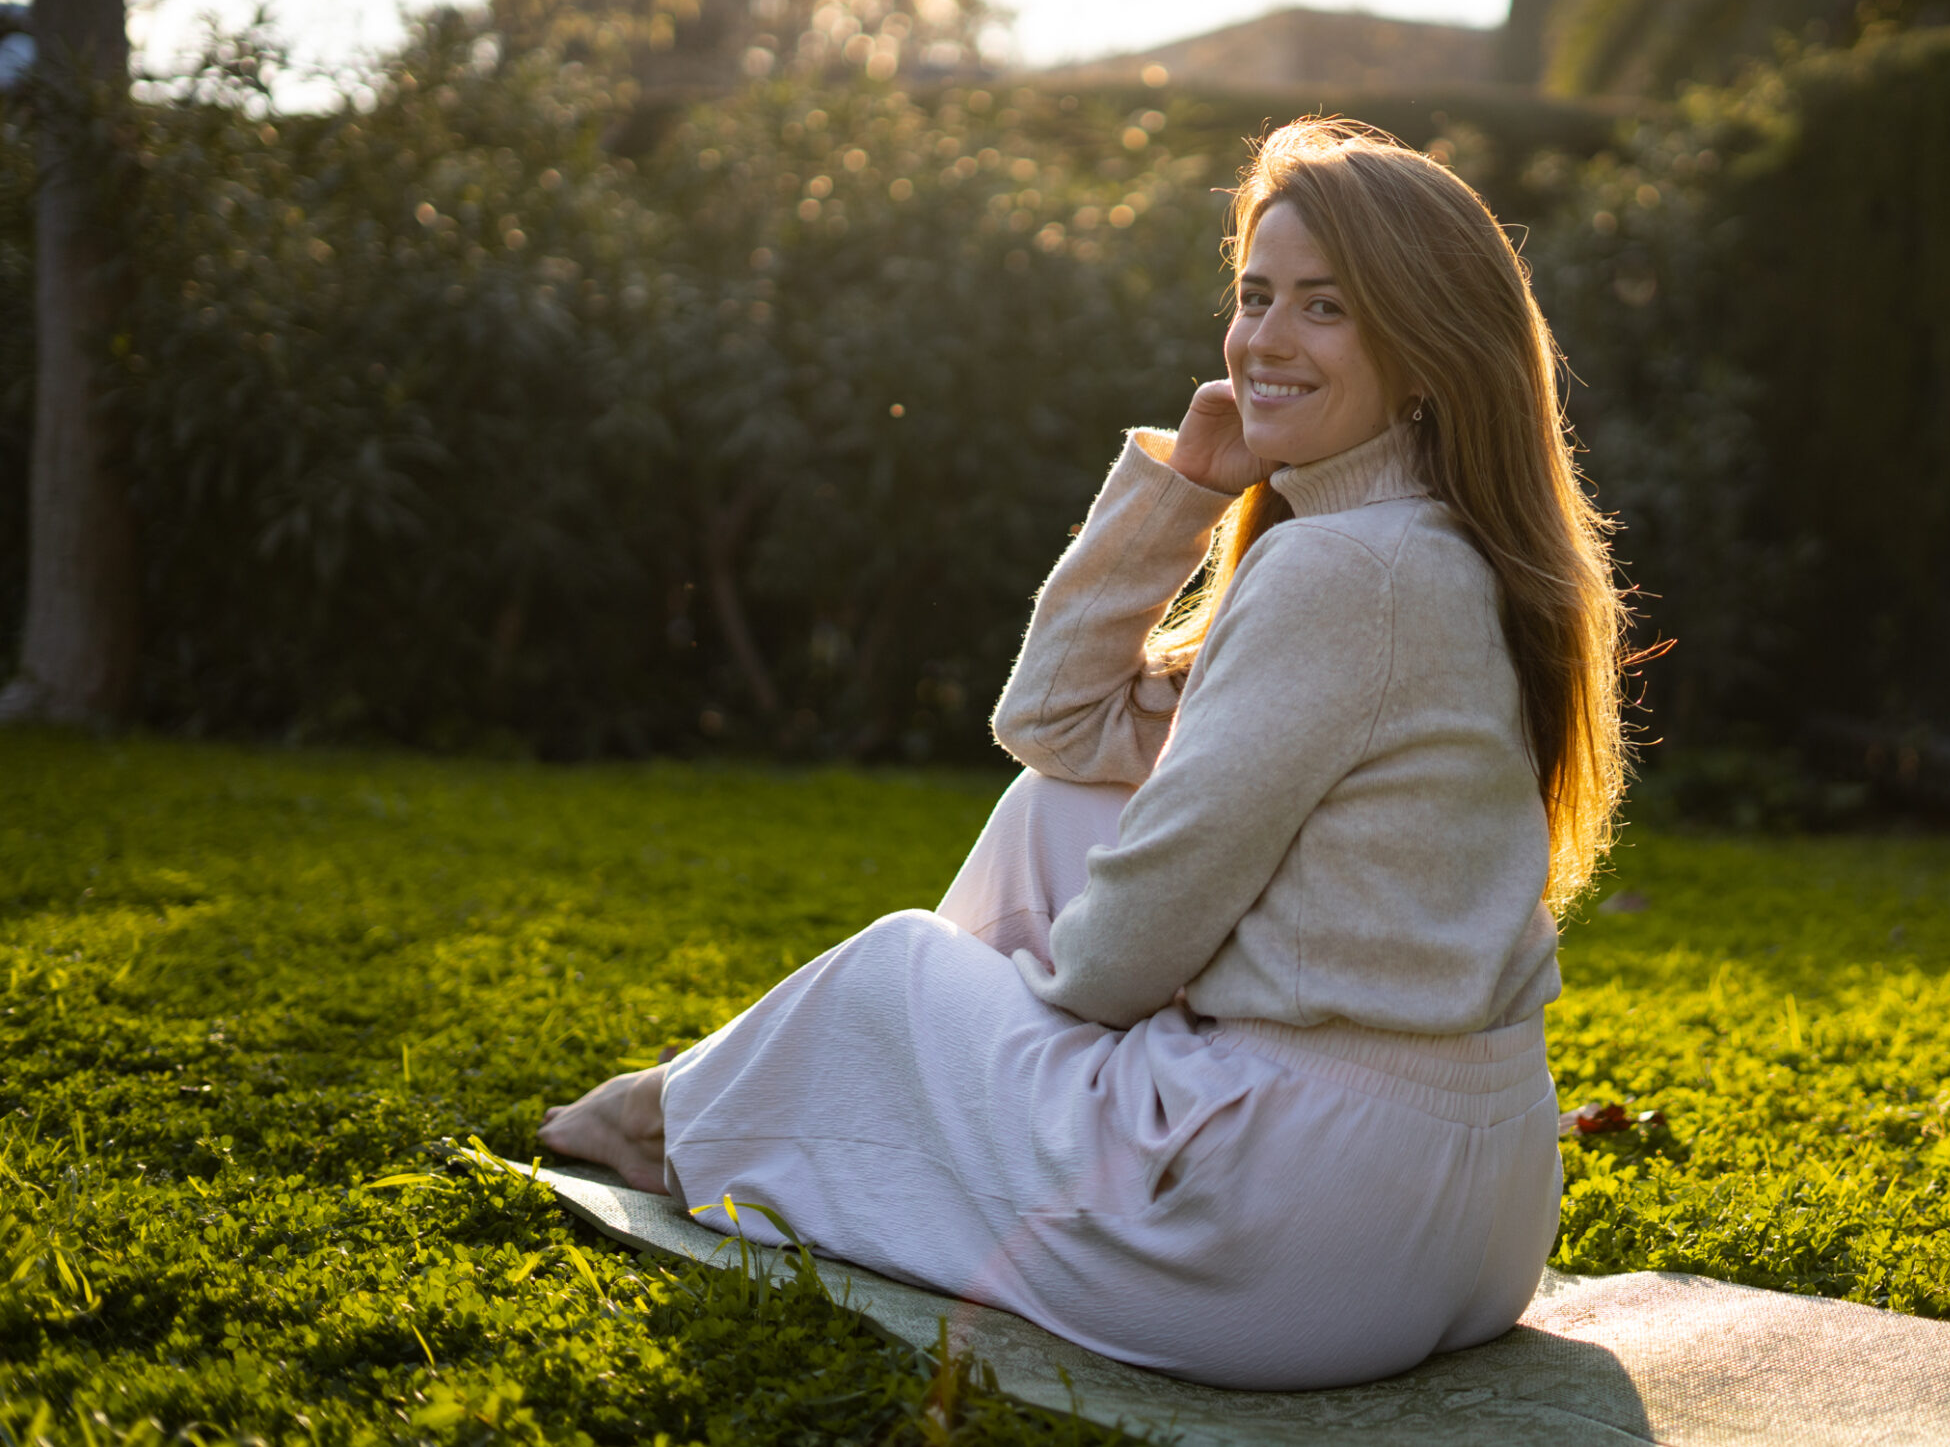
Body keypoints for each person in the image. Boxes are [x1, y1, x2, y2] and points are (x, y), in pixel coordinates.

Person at [538, 118, 1631, 1390]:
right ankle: (812, 1110)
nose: (1265, 340)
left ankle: (669, 1117)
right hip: (1475, 1218)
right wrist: (1187, 490)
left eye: (1325, 308)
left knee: (891, 980)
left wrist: (1044, 1035)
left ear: (1426, 344)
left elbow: (1125, 949)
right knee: (1050, 814)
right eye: (1254, 295)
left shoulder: (1343, 569)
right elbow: (1056, 732)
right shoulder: (1442, 548)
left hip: (1291, 1235)